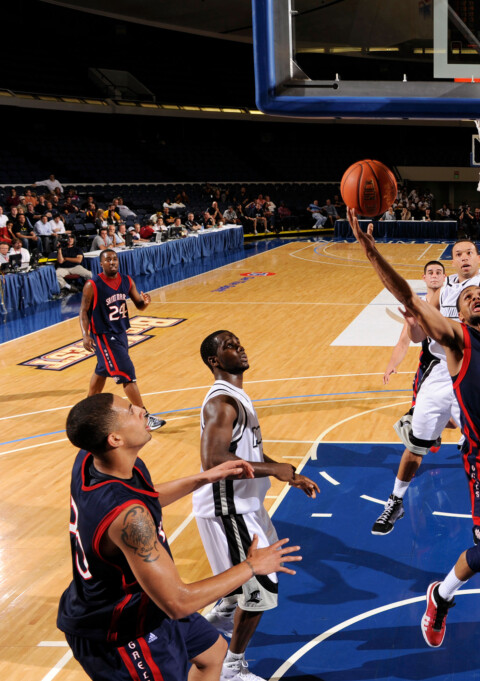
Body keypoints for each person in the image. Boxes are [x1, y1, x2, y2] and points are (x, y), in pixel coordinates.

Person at [348, 207, 480, 647]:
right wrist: (371, 253)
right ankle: (440, 597)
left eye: (479, 295)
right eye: (466, 300)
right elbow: (409, 298)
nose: (475, 298)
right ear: (457, 316)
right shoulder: (459, 342)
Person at [57, 393, 301, 681]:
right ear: (115, 439)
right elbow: (178, 602)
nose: (141, 410)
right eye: (131, 411)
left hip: (144, 603)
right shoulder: (129, 516)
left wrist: (204, 478)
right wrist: (251, 566)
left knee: (213, 653)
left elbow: (145, 498)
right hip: (120, 631)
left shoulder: (91, 461)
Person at [373, 233, 480, 536]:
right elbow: (420, 336)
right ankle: (395, 500)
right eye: (458, 254)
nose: (464, 257)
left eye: (469, 252)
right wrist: (413, 325)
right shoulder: (442, 290)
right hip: (438, 373)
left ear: (478, 258)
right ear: (453, 261)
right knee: (416, 444)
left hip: (476, 370)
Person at [194, 331, 320, 681]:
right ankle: (231, 668)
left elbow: (248, 452)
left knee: (254, 580)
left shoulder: (236, 396)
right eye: (229, 346)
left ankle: (221, 614)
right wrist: (274, 470)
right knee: (262, 588)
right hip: (229, 508)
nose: (240, 348)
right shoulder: (222, 402)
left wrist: (287, 473)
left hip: (246, 504)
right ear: (214, 361)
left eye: (239, 342)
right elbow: (213, 459)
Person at [79, 250, 166, 430]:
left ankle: (86, 411)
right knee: (127, 373)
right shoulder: (92, 285)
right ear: (101, 264)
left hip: (120, 332)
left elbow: (139, 305)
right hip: (104, 335)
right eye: (107, 260)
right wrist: (85, 335)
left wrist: (145, 303)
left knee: (102, 369)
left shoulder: (127, 280)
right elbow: (83, 312)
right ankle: (144, 418)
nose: (112, 262)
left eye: (114, 259)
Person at [381, 261, 447, 387]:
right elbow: (403, 343)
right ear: (424, 277)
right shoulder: (417, 307)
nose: (434, 276)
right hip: (429, 364)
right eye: (430, 273)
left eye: (438, 273)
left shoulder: (453, 302)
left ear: (444, 277)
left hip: (454, 362)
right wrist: (392, 364)